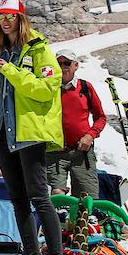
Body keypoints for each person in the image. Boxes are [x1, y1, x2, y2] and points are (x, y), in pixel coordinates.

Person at [0, 0, 68, 255]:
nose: (5, 21)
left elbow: (46, 89)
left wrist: (11, 71)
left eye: (10, 16)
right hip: (3, 134)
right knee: (17, 201)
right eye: (0, 16)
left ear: (21, 18)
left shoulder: (39, 49)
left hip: (29, 134)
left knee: (40, 198)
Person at [44, 49, 106, 200]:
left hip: (82, 152)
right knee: (57, 196)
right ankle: (59, 222)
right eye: (59, 63)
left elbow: (101, 117)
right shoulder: (47, 88)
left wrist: (90, 136)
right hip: (55, 152)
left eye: (67, 63)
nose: (63, 67)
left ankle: (81, 223)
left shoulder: (85, 87)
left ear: (75, 65)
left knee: (87, 199)